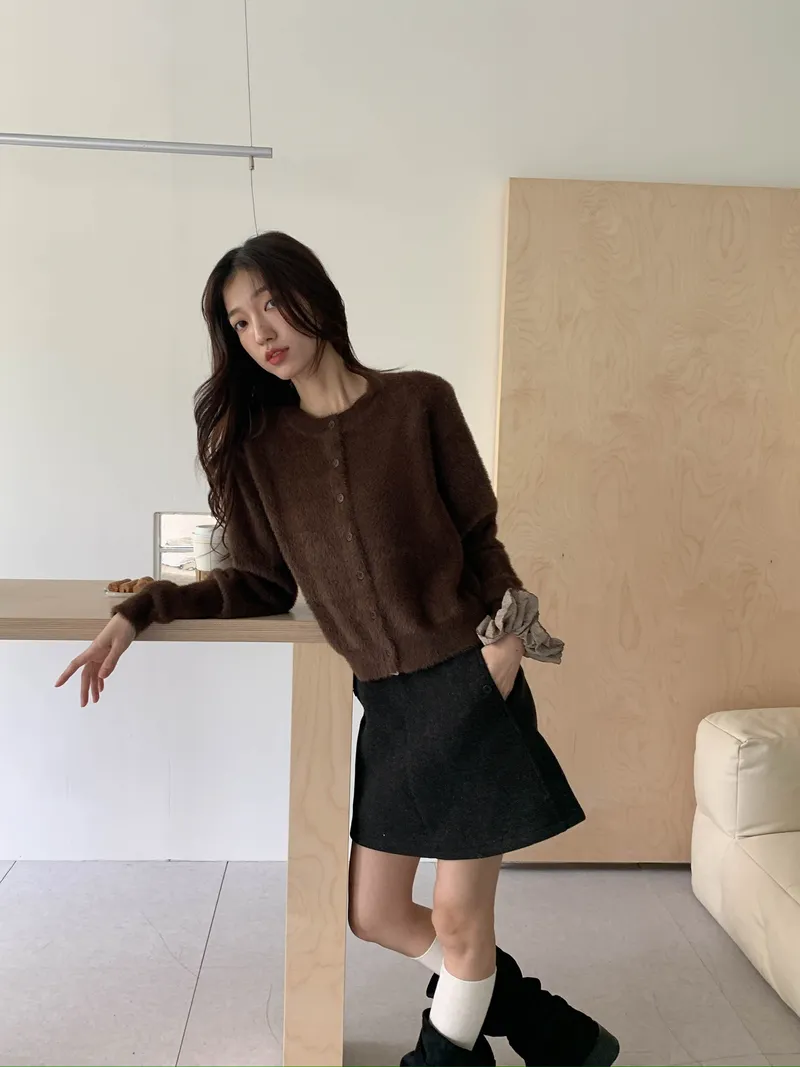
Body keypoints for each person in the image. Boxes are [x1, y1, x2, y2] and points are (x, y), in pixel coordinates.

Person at [56, 232, 619, 1067]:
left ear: (313, 295)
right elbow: (256, 583)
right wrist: (139, 612)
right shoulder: (262, 451)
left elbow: (480, 538)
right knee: (374, 912)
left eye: (270, 305)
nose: (260, 332)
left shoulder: (419, 402)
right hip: (390, 706)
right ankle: (553, 1031)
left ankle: (448, 1055)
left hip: (473, 685)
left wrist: (506, 645)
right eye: (239, 322)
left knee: (459, 918)